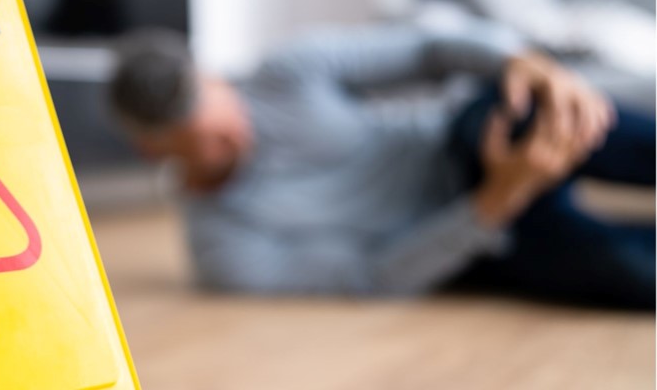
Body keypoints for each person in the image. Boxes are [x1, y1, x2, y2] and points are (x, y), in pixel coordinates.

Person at [109, 24, 654, 309]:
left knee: (551, 111)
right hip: (467, 240)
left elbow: (427, 49)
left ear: (212, 78)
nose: (239, 132)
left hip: (463, 140)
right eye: (213, 143)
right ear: (154, 154)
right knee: (623, 267)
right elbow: (371, 277)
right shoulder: (224, 252)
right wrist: (498, 200)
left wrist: (529, 65)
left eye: (224, 105)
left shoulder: (284, 73)